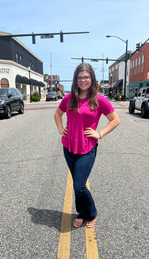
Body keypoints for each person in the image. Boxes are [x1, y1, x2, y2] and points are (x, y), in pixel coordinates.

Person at [54, 63, 120, 228]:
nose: (83, 80)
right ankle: (82, 213)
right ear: (76, 79)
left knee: (79, 185)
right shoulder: (69, 98)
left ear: (92, 79)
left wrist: (99, 134)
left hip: (87, 148)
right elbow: (57, 114)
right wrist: (61, 128)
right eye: (80, 77)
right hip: (68, 146)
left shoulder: (99, 99)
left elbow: (115, 120)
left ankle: (91, 213)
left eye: (86, 77)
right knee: (77, 184)